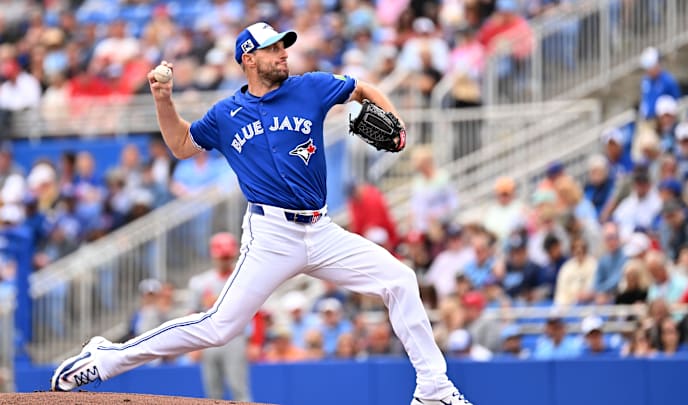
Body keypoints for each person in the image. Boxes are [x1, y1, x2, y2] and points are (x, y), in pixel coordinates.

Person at [50, 22, 473, 405]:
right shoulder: (225, 115)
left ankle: (433, 388)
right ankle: (107, 357)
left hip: (322, 231)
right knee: (218, 327)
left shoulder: (310, 87)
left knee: (400, 280)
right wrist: (163, 99)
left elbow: (362, 88)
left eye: (284, 46)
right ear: (248, 59)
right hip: (271, 235)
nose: (284, 53)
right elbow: (181, 146)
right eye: (273, 48)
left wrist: (395, 120)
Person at [187, 232, 250, 401]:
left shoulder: (243, 278)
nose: (225, 261)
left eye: (227, 257)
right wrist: (193, 345)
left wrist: (256, 342)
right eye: (222, 257)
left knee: (239, 388)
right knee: (212, 390)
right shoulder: (200, 282)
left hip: (235, 338)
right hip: (208, 339)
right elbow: (192, 314)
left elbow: (256, 312)